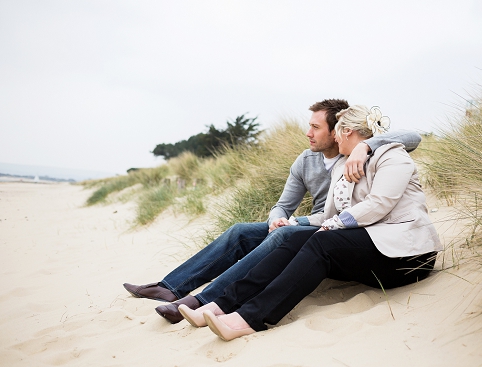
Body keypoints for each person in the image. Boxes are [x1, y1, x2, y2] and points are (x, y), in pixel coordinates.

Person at [122, 99, 422, 323]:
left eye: (316, 127)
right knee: (242, 231)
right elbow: (283, 203)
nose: (308, 133)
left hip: (327, 230)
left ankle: (203, 299)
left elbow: (412, 137)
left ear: (338, 132)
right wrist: (275, 219)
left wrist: (365, 146)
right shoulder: (305, 161)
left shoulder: (360, 154)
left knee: (285, 237)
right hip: (306, 224)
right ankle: (170, 287)